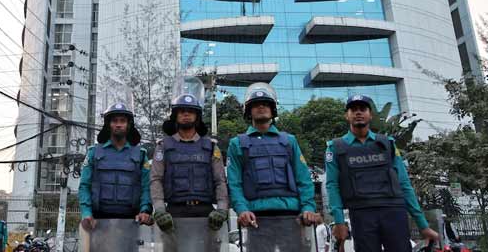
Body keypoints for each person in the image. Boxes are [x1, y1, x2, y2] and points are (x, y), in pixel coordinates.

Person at [325, 94, 440, 252]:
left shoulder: (388, 144)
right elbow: (332, 186)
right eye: (353, 110)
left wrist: (423, 225)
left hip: (394, 211)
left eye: (363, 109)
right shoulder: (335, 148)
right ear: (347, 115)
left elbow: (404, 184)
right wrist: (339, 222)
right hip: (361, 214)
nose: (358, 113)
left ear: (370, 115)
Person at [227, 83, 319, 250]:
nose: (261, 107)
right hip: (256, 219)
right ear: (248, 110)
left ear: (273, 109)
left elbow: (304, 179)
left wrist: (308, 207)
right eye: (256, 104)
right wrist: (242, 210)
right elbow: (234, 183)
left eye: (266, 103)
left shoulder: (289, 141)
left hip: (292, 217)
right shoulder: (237, 143)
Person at [150, 77, 229, 233]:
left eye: (191, 111)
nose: (186, 114)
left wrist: (222, 209)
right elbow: (155, 179)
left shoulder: (211, 147)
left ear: (197, 115)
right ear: (175, 115)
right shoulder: (163, 146)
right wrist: (159, 209)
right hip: (173, 213)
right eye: (182, 111)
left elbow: (220, 180)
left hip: (207, 213)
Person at [78, 100, 152, 231]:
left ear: (129, 125)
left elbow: (147, 186)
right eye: (114, 121)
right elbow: (84, 186)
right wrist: (86, 213)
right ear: (108, 124)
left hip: (131, 222)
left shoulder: (140, 155)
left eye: (122, 121)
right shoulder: (93, 153)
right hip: (98, 222)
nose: (118, 125)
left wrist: (145, 210)